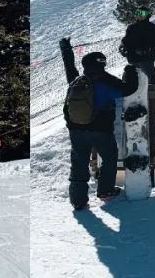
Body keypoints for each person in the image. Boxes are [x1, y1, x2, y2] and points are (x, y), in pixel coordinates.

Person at [60, 38, 139, 210]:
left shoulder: (77, 80)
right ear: (102, 64)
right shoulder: (106, 81)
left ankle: (78, 200)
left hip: (76, 129)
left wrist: (66, 50)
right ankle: (105, 191)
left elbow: (69, 68)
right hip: (100, 130)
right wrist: (130, 70)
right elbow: (128, 90)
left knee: (79, 162)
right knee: (110, 158)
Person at [120, 5, 155, 88]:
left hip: (146, 61)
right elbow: (126, 41)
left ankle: (153, 99)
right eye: (137, 13)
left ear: (147, 15)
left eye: (142, 13)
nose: (139, 15)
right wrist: (122, 47)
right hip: (133, 60)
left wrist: (148, 50)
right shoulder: (131, 28)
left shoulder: (153, 28)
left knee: (150, 83)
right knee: (129, 83)